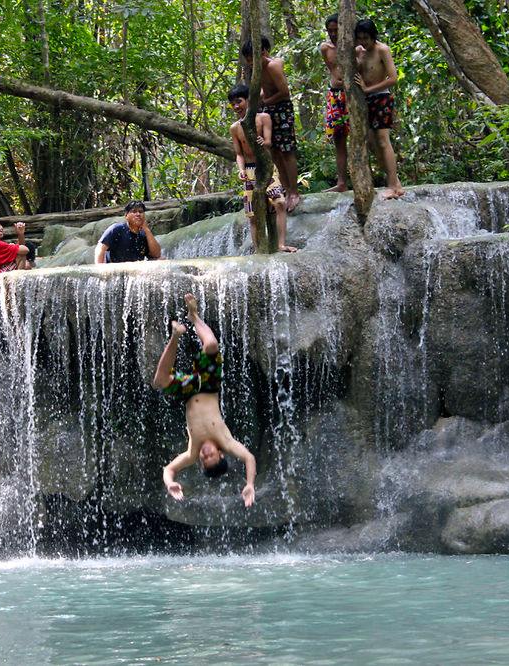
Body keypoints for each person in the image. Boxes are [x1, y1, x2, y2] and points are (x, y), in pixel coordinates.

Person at [153, 293, 257, 507]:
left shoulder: (192, 452)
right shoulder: (226, 442)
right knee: (210, 345)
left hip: (189, 392)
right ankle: (194, 316)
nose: (205, 455)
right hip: (208, 385)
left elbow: (169, 470)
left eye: (203, 460)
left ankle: (176, 335)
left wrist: (170, 483)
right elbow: (249, 458)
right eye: (211, 457)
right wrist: (249, 484)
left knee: (160, 380)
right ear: (220, 453)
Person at [228, 84, 297, 253]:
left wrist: (263, 142)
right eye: (233, 104)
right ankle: (259, 249)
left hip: (266, 168)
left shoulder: (264, 118)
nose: (237, 106)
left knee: (280, 203)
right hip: (250, 171)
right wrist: (241, 170)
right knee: (253, 214)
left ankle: (281, 244)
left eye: (239, 101)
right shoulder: (235, 128)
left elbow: (269, 141)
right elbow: (239, 153)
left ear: (248, 100)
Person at [241, 36, 300, 212]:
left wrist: (266, 103)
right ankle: (286, 190)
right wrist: (248, 81)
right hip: (268, 112)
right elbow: (259, 94)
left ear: (264, 52)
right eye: (248, 58)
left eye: (253, 56)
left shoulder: (273, 66)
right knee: (273, 151)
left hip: (281, 109)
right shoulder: (256, 70)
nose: (250, 61)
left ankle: (294, 193)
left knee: (286, 151)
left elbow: (284, 93)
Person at [354, 19, 405, 199]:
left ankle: (393, 186)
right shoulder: (359, 51)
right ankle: (395, 181)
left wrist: (369, 89)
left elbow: (393, 78)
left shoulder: (382, 49)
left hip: (381, 97)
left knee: (383, 141)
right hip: (365, 101)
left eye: (366, 38)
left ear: (373, 36)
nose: (363, 42)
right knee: (372, 142)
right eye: (360, 38)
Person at [320, 14, 349, 193]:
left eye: (335, 30)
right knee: (339, 139)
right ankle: (342, 183)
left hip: (352, 95)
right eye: (329, 31)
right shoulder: (325, 48)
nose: (332, 34)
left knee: (364, 137)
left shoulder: (355, 46)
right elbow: (333, 70)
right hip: (335, 95)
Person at [94, 200, 161, 263]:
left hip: (136, 271)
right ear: (126, 215)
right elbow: (100, 248)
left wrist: (147, 230)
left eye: (141, 212)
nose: (138, 214)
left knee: (161, 259)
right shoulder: (116, 229)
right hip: (116, 271)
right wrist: (99, 269)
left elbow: (156, 255)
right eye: (134, 212)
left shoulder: (144, 235)